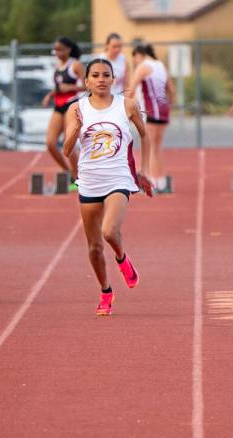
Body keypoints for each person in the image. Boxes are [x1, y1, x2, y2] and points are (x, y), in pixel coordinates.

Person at [64, 58, 154, 315]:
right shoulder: (76, 109)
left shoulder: (126, 105)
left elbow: (145, 135)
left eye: (106, 75)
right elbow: (67, 149)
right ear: (87, 81)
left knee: (109, 231)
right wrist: (76, 129)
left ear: (114, 79)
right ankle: (105, 291)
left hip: (119, 178)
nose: (101, 79)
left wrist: (144, 171)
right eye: (96, 75)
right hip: (90, 180)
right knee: (93, 247)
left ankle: (122, 259)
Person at [128, 43, 175, 193]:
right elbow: (172, 91)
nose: (135, 62)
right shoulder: (161, 65)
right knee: (157, 148)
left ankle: (152, 182)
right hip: (163, 110)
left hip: (151, 111)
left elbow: (131, 89)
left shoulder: (143, 67)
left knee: (150, 148)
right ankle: (160, 182)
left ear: (138, 55)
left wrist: (123, 109)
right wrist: (169, 107)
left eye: (134, 58)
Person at [42, 36, 86, 191]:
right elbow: (59, 87)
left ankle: (77, 177)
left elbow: (89, 85)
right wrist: (50, 95)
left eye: (60, 49)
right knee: (50, 143)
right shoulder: (56, 65)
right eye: (55, 50)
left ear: (68, 49)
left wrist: (72, 88)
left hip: (71, 104)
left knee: (70, 142)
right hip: (58, 105)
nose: (57, 52)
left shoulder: (76, 65)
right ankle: (67, 171)